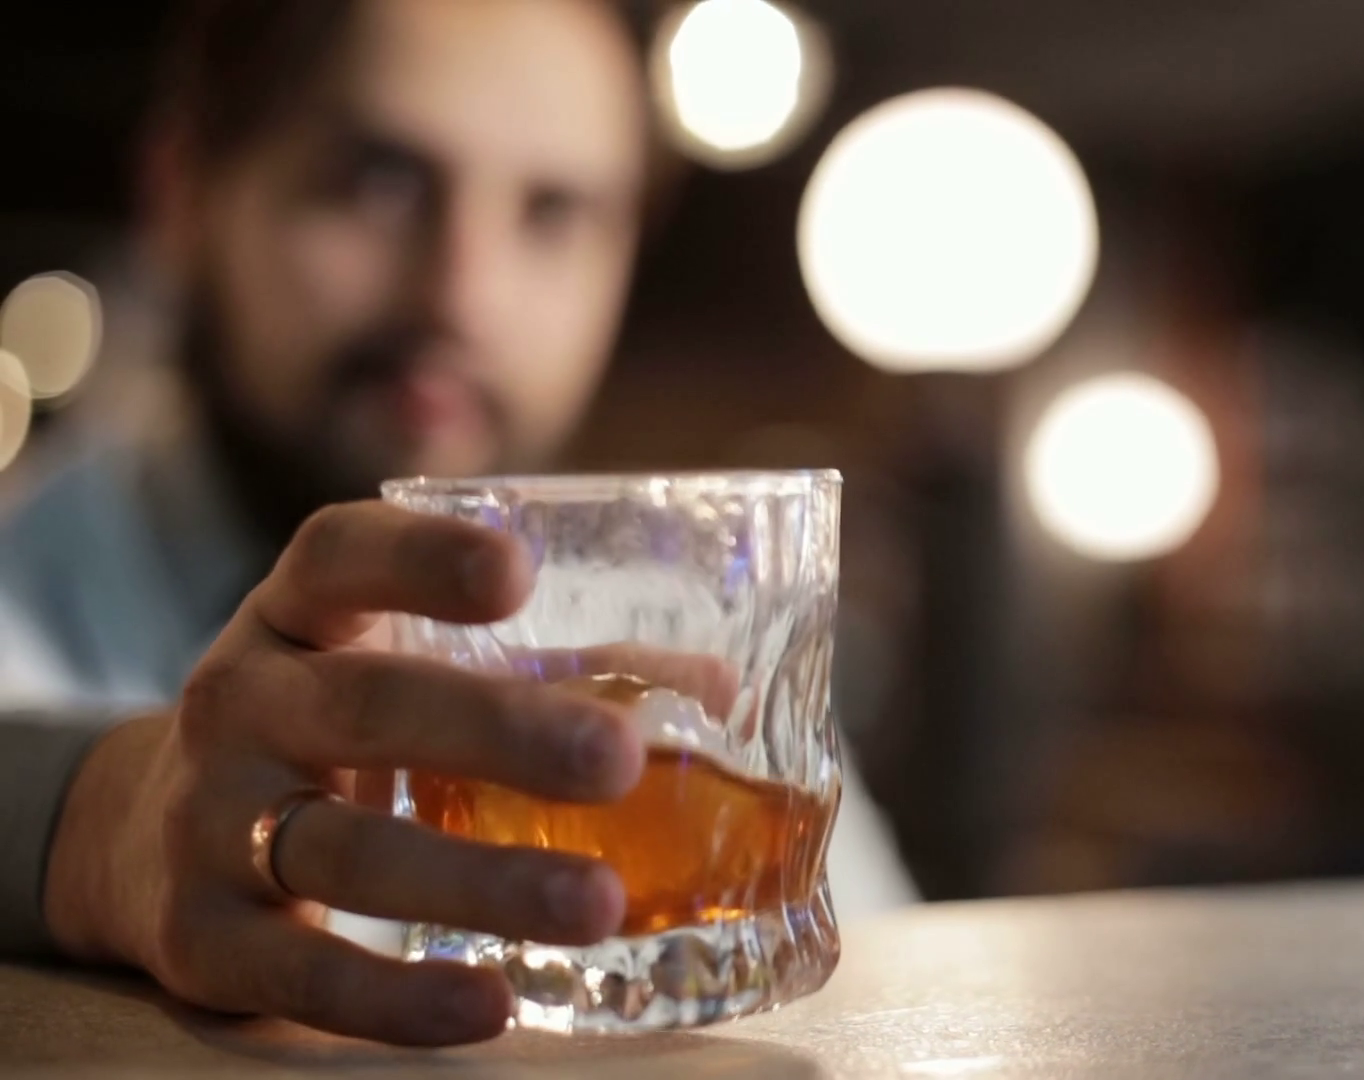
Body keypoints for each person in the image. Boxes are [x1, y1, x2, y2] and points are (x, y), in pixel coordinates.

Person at [0, 0, 915, 1046]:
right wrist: (108, 823)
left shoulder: (692, 637)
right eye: (380, 183)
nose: (461, 296)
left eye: (554, 212)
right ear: (180, 193)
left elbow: (869, 980)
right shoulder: (23, 585)